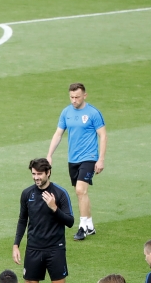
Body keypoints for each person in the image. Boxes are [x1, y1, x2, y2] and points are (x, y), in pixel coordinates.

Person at [12, 158, 74, 283]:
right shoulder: (27, 194)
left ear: (48, 173)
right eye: (33, 174)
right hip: (33, 249)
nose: (36, 178)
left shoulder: (60, 194)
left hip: (55, 249)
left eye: (39, 174)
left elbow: (70, 221)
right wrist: (16, 245)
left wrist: (54, 208)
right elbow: (23, 220)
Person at [46, 82, 107, 241]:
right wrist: (49, 154)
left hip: (89, 157)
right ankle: (90, 225)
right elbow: (58, 134)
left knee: (81, 190)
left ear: (84, 95)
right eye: (72, 97)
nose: (74, 100)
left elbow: (103, 135)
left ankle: (82, 227)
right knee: (80, 193)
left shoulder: (93, 113)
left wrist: (101, 159)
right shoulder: (66, 112)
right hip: (73, 159)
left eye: (77, 97)